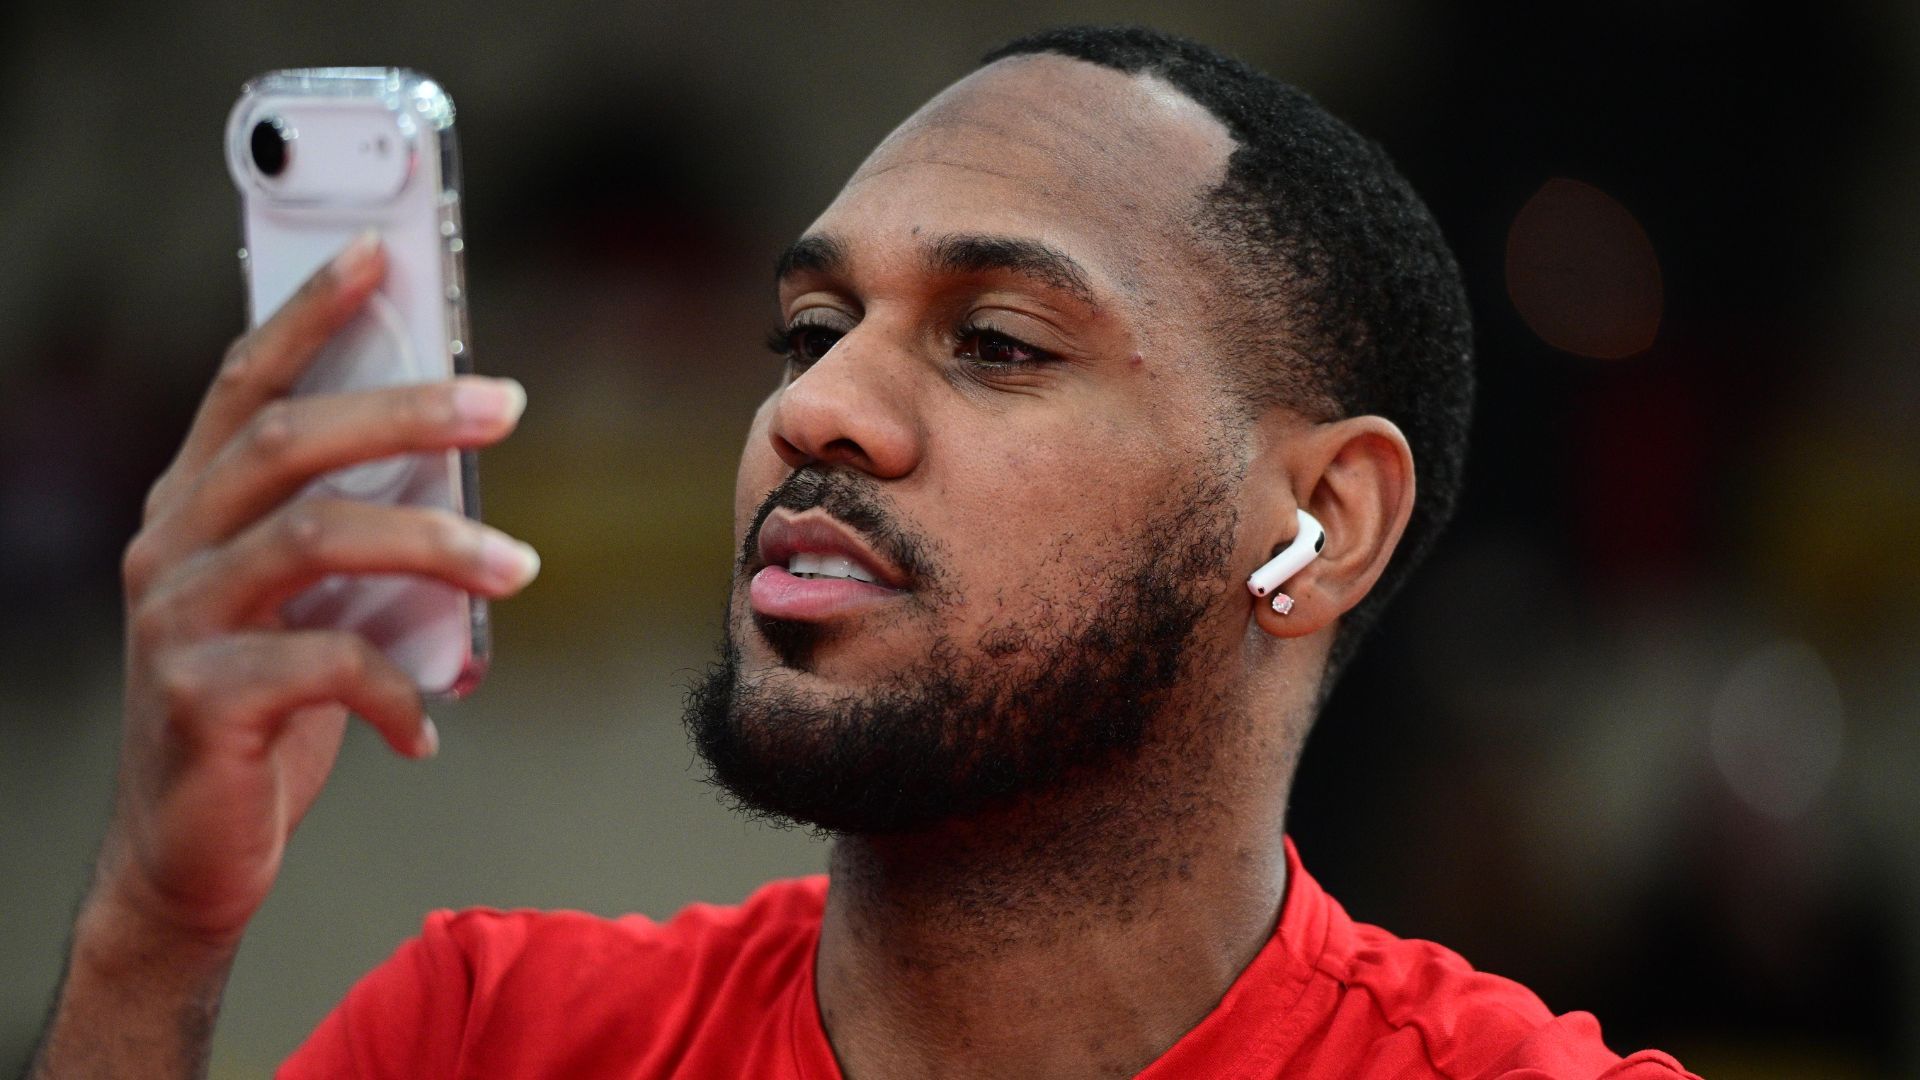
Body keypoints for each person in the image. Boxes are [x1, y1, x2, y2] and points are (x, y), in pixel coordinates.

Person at [29, 25, 1696, 1080]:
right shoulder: (491, 1035)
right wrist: (153, 930)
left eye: (998, 344)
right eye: (812, 329)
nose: (813, 408)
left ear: (1317, 526)